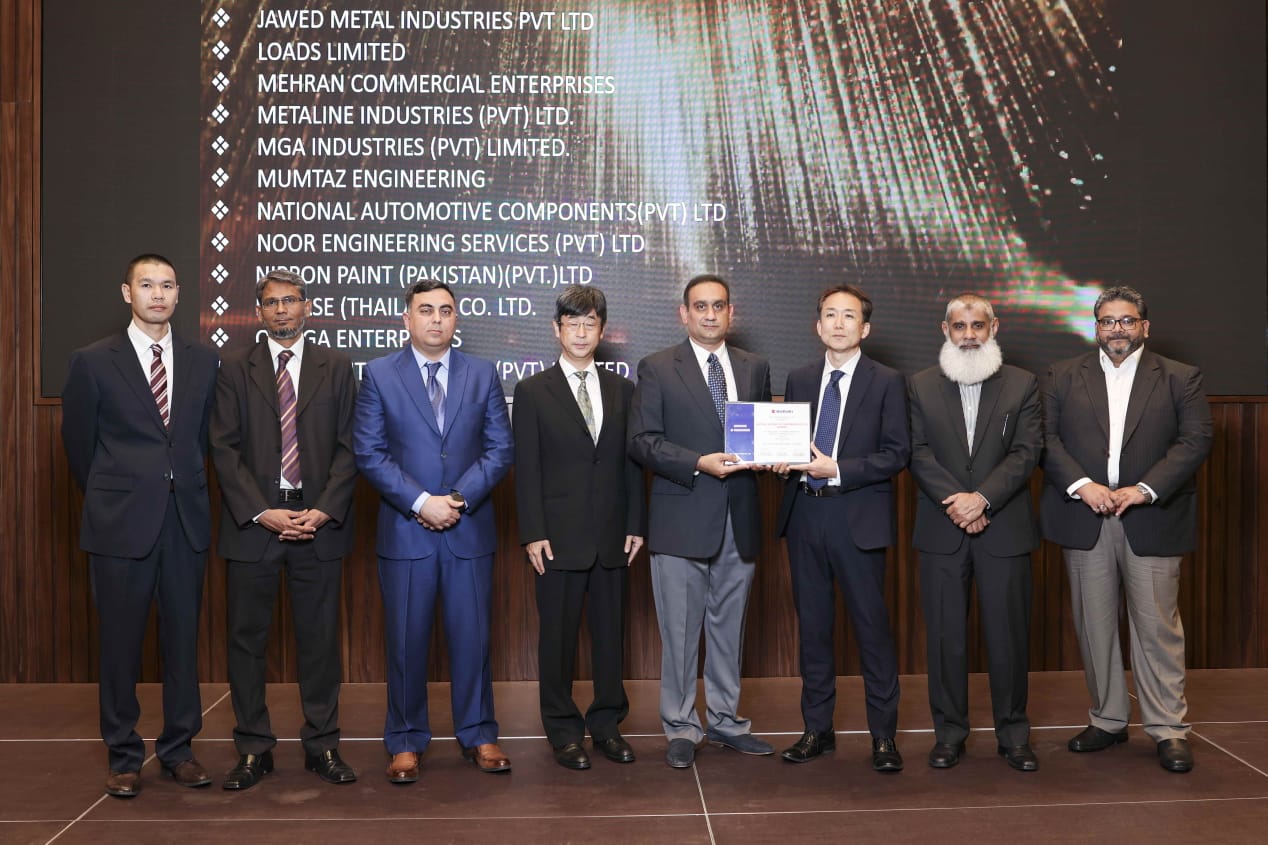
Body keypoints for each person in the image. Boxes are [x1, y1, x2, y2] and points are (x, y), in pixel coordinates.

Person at [61, 253, 219, 797]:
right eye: (147, 285)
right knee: (120, 643)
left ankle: (179, 750)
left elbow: (202, 440)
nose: (158, 294)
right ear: (127, 293)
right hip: (120, 523)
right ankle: (124, 755)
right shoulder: (92, 361)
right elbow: (79, 446)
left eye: (167, 285)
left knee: (183, 641)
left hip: (185, 520)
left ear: (179, 293)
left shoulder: (204, 359)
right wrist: (119, 494)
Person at [1041, 285, 1213, 773]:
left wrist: (1144, 489)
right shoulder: (1061, 375)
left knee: (1157, 628)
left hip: (1151, 515)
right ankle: (1108, 719)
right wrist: (1083, 486)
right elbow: (1045, 439)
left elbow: (1195, 439)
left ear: (1144, 326)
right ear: (1096, 327)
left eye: (1127, 320)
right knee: (1094, 625)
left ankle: (1168, 729)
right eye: (1108, 321)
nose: (1117, 329)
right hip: (1086, 515)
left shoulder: (1180, 377)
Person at [353, 279, 515, 783]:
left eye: (445, 310)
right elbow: (369, 452)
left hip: (468, 530)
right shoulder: (379, 374)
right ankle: (405, 741)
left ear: (456, 319)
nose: (436, 319)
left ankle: (480, 734)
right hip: (407, 533)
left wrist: (458, 500)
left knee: (474, 640)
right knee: (405, 643)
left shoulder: (482, 373)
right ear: (407, 319)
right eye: (426, 310)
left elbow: (500, 449)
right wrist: (422, 502)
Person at [210, 269, 359, 790]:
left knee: (319, 641)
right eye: (271, 302)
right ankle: (254, 749)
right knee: (246, 641)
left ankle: (323, 746)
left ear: (306, 307)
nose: (281, 310)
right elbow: (223, 447)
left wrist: (323, 509)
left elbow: (350, 446)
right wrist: (260, 511)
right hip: (255, 525)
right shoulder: (234, 366)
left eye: (290, 300)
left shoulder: (336, 366)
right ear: (259, 312)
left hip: (318, 523)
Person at [629, 274, 774, 768]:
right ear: (684, 314)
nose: (710, 314)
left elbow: (761, 436)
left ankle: (727, 722)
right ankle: (681, 726)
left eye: (718, 306)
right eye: (700, 306)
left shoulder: (755, 366)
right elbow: (643, 441)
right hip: (681, 517)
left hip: (740, 517)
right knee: (680, 632)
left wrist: (775, 455)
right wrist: (697, 462)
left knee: (729, 631)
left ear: (731, 313)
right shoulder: (656, 367)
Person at [773, 284, 909, 772]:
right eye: (830, 314)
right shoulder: (800, 378)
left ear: (864, 328)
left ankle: (884, 737)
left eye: (848, 315)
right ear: (817, 325)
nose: (838, 323)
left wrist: (839, 469)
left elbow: (897, 453)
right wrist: (780, 461)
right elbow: (790, 445)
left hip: (857, 517)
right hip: (806, 515)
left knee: (872, 630)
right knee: (813, 629)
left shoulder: (887, 381)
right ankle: (817, 729)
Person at [907, 293, 1042, 772]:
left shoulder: (1022, 384)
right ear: (945, 330)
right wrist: (959, 503)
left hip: (1004, 529)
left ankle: (1014, 736)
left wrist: (982, 499)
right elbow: (917, 452)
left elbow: (1027, 452)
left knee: (1009, 638)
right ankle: (949, 735)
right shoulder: (920, 385)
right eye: (959, 326)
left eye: (977, 326)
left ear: (993, 328)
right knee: (946, 640)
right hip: (942, 531)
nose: (969, 335)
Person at [512, 287, 646, 771]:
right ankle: (564, 732)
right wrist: (532, 533)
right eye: (573, 323)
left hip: (612, 536)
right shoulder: (532, 391)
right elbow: (526, 469)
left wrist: (635, 523)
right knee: (558, 640)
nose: (582, 332)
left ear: (602, 330)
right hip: (557, 538)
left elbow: (631, 464)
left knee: (611, 639)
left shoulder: (623, 390)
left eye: (590, 323)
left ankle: (607, 725)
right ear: (557, 329)